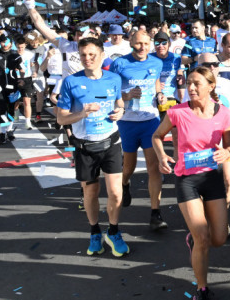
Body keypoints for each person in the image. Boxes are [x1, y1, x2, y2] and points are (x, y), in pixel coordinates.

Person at [152, 66, 230, 300]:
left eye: (197, 83)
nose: (191, 88)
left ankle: (194, 239)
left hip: (211, 177)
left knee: (218, 239)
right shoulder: (178, 111)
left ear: (211, 87)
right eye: (189, 83)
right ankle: (202, 290)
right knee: (203, 237)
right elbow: (157, 136)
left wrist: (226, 152)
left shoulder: (224, 114)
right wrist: (161, 156)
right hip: (186, 179)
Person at [56, 37, 128, 256]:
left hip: (111, 142)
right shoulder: (71, 82)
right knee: (92, 192)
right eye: (83, 55)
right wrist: (82, 113)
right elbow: (61, 119)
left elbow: (119, 102)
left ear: (102, 55)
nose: (87, 59)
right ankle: (95, 231)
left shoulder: (114, 78)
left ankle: (113, 232)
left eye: (92, 55)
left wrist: (121, 111)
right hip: (85, 147)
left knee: (116, 192)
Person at [109, 31, 167, 231]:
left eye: (145, 43)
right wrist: (126, 95)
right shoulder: (120, 64)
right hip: (127, 122)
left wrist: (159, 94)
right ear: (131, 43)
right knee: (129, 166)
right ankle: (125, 183)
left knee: (154, 166)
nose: (142, 47)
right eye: (138, 44)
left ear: (150, 43)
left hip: (150, 120)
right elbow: (112, 90)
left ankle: (155, 213)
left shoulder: (156, 63)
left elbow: (156, 80)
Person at [153, 32, 184, 117]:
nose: (160, 46)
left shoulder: (176, 58)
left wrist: (180, 75)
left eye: (164, 43)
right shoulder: (149, 58)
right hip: (154, 100)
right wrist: (154, 84)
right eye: (157, 43)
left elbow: (180, 72)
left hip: (172, 98)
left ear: (169, 44)